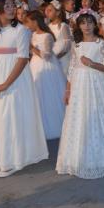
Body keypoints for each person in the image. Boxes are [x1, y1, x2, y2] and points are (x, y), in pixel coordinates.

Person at [56, 13, 104, 179]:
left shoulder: (100, 44)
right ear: (79, 26)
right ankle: (78, 159)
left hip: (96, 85)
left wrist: (92, 64)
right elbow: (71, 69)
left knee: (97, 117)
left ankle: (102, 157)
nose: (86, 26)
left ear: (95, 24)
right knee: (80, 119)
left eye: (89, 22)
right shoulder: (77, 45)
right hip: (78, 87)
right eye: (83, 23)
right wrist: (68, 90)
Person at [0, 0, 49, 177]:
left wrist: (5, 84)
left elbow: (22, 59)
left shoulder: (21, 30)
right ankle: (6, 157)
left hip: (15, 79)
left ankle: (12, 161)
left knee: (10, 117)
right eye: (7, 6)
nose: (12, 9)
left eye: (13, 5)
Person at [25, 11, 67, 140]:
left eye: (28, 22)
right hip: (34, 66)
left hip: (47, 67)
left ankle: (52, 125)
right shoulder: (32, 35)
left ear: (35, 21)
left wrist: (32, 48)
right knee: (35, 95)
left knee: (47, 96)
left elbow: (47, 56)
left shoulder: (47, 36)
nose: (27, 25)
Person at [46, 0, 72, 77]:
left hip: (62, 58)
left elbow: (68, 46)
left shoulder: (63, 26)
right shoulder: (48, 26)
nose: (47, 12)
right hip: (52, 57)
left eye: (50, 10)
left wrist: (57, 57)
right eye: (47, 10)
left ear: (57, 13)